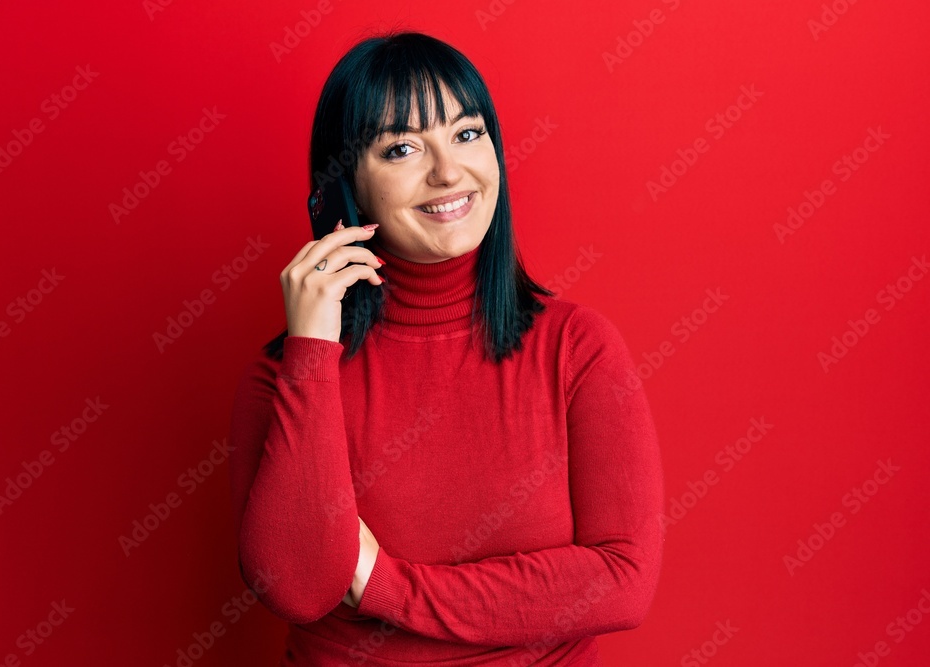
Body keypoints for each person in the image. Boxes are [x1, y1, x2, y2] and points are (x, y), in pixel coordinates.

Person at [228, 30, 665, 666]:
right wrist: (313, 353)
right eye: (402, 147)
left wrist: (384, 586)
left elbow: (622, 583)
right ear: (345, 182)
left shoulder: (577, 345)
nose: (448, 172)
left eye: (466, 134)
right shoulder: (285, 376)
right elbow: (296, 587)